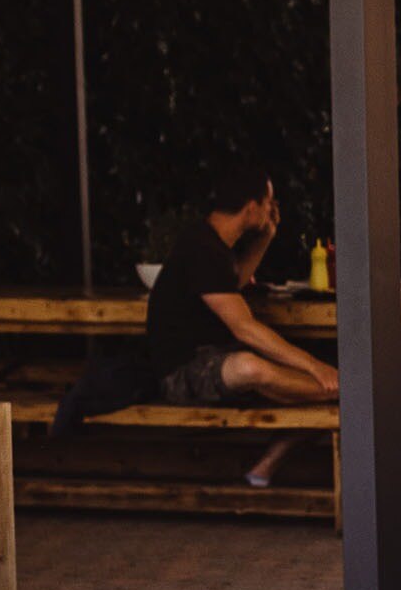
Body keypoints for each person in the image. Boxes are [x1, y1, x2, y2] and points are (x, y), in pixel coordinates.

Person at [143, 163, 337, 488]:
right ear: (251, 207)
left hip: (216, 361)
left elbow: (233, 282)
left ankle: (265, 465)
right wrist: (317, 369)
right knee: (251, 367)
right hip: (183, 374)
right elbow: (244, 328)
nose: (272, 209)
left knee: (313, 387)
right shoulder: (200, 247)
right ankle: (353, 389)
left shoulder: (213, 246)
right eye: (269, 202)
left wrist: (266, 238)